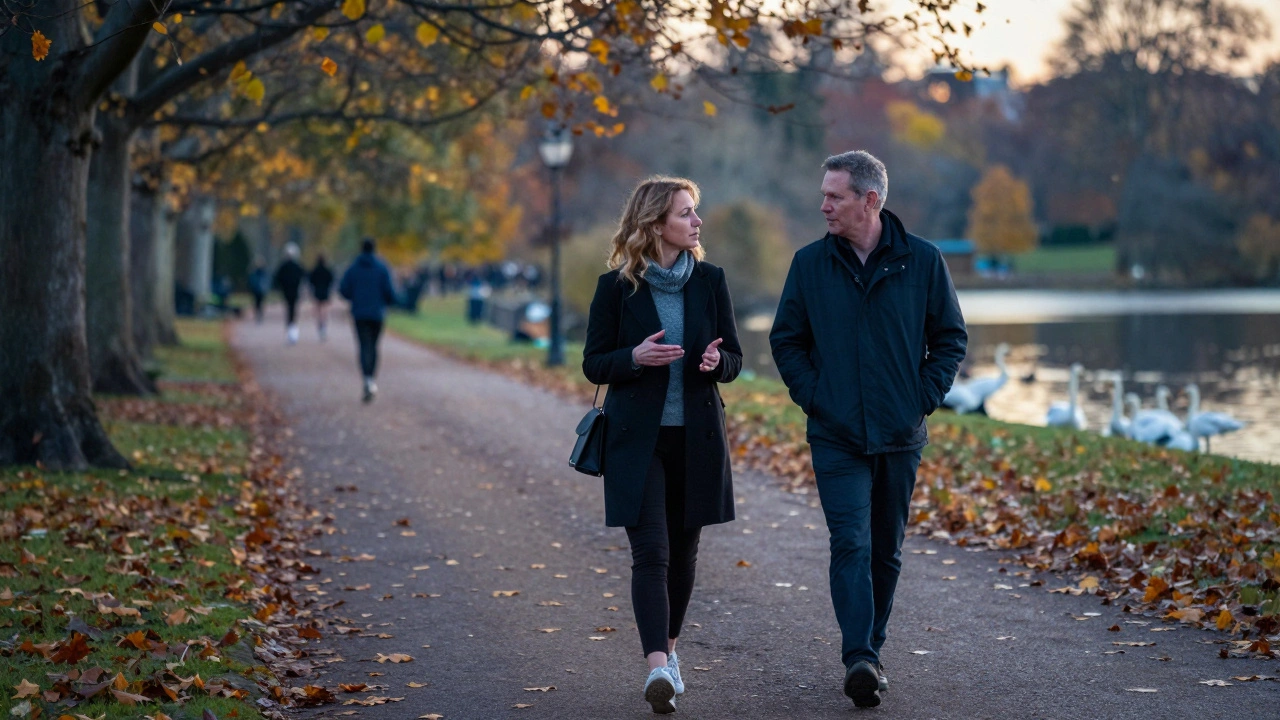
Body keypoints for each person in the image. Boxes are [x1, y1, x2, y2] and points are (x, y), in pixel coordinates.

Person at [769, 151, 967, 708]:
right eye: (824, 194)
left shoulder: (923, 262)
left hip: (901, 431)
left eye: (835, 196)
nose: (824, 205)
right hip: (835, 433)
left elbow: (950, 339)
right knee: (850, 541)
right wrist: (816, 398)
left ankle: (871, 654)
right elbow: (787, 340)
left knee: (887, 550)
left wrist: (920, 399)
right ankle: (858, 655)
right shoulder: (809, 264)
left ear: (870, 200)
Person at [582, 177, 742, 715]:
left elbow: (735, 359)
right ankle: (656, 668)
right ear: (655, 224)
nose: (697, 222)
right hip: (635, 442)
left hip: (696, 439)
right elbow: (593, 363)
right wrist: (633, 358)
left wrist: (718, 364)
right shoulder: (615, 288)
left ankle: (670, 655)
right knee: (651, 552)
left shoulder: (712, 281)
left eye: (696, 212)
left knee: (684, 553)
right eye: (687, 213)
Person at [339, 237, 398, 403]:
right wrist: (389, 302)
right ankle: (371, 379)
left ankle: (367, 379)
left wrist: (355, 297)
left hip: (359, 313)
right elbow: (390, 292)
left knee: (363, 345)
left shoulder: (353, 268)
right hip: (377, 314)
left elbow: (343, 290)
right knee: (373, 346)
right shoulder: (382, 267)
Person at [272, 243, 306, 345]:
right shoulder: (297, 266)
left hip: (288, 292)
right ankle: (292, 329)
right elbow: (303, 277)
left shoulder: (284, 266)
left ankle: (291, 329)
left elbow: (277, 279)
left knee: (289, 310)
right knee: (292, 310)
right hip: (293, 292)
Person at [309, 254, 335, 341]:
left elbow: (311, 281)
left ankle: (320, 325)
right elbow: (331, 280)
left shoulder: (315, 270)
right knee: (324, 310)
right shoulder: (327, 270)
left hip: (317, 292)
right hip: (325, 292)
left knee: (318, 309)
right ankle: (323, 325)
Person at [248, 259, 269, 324]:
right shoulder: (255, 272)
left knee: (259, 303)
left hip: (260, 290)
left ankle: (259, 315)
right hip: (257, 290)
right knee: (257, 303)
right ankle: (258, 315)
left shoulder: (262, 273)